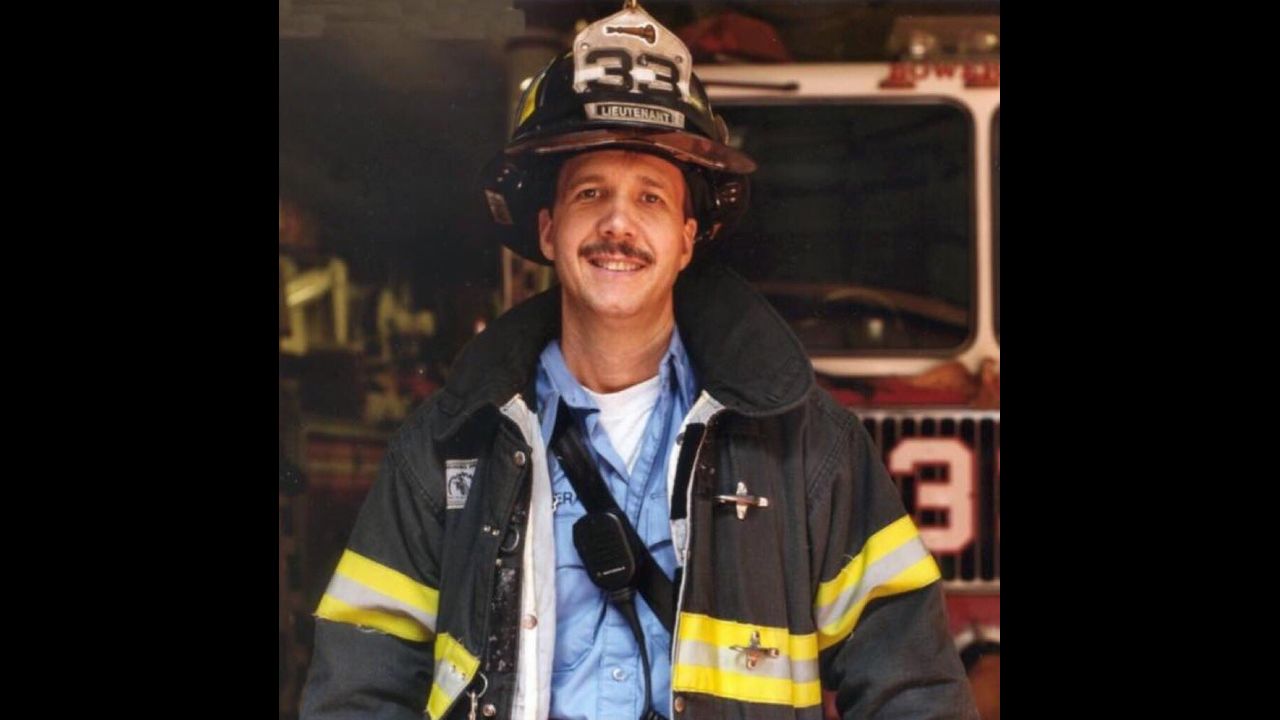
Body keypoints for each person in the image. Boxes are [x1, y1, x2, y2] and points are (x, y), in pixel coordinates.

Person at [300, 2, 977, 719]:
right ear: (549, 229)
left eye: (650, 197)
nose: (618, 223)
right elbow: (357, 692)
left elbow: (915, 688)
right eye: (591, 192)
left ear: (687, 239)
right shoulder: (446, 446)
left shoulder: (809, 449)